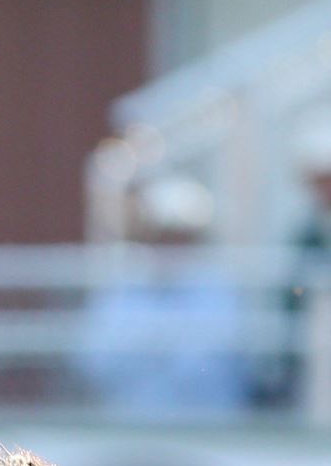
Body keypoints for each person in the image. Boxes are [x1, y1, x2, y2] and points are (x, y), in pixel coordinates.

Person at [75, 173, 260, 419]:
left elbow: (221, 362)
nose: (170, 246)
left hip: (212, 428)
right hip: (129, 427)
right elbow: (95, 361)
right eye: (161, 236)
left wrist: (152, 349)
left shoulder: (219, 290)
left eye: (179, 237)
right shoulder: (122, 289)